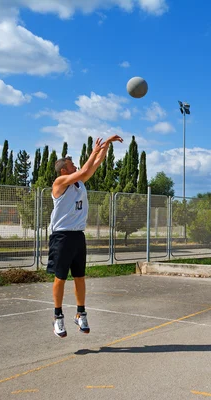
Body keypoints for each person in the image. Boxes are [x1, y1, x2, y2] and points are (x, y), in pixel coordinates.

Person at [48, 135, 123, 338]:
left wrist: (105, 147)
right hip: (61, 236)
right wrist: (93, 151)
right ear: (64, 169)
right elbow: (84, 169)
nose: (76, 167)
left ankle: (80, 313)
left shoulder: (79, 183)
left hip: (77, 237)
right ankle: (57, 317)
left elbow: (94, 166)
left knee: (80, 277)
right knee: (60, 278)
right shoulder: (59, 182)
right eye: (72, 165)